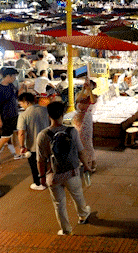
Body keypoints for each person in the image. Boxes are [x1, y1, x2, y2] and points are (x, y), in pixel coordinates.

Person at [36, 101, 93, 236]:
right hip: (71, 172)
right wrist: (86, 166)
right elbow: (81, 151)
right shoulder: (71, 131)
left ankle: (66, 230)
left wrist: (42, 177)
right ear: (63, 114)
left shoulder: (43, 135)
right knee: (77, 195)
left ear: (49, 115)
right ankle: (83, 215)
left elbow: (40, 160)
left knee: (59, 204)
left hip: (53, 175)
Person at [0, 67, 22, 170]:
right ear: (8, 76)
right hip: (5, 116)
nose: (15, 78)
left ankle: (18, 153)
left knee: (15, 133)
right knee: (5, 137)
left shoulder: (11, 85)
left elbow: (15, 98)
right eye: (14, 76)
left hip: (14, 114)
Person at [17, 92, 51, 191]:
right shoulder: (45, 110)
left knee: (35, 165)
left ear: (27, 102)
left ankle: (39, 183)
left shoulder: (23, 115)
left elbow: (21, 133)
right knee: (47, 163)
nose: (21, 106)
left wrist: (22, 146)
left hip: (33, 145)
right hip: (46, 142)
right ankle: (49, 180)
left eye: (21, 104)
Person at [74, 79, 97, 172]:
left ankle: (92, 161)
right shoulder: (80, 94)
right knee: (79, 141)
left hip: (86, 120)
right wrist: (83, 90)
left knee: (87, 141)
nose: (87, 85)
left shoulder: (94, 96)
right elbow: (77, 100)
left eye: (89, 85)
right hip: (78, 119)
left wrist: (89, 90)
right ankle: (83, 161)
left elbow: (93, 101)